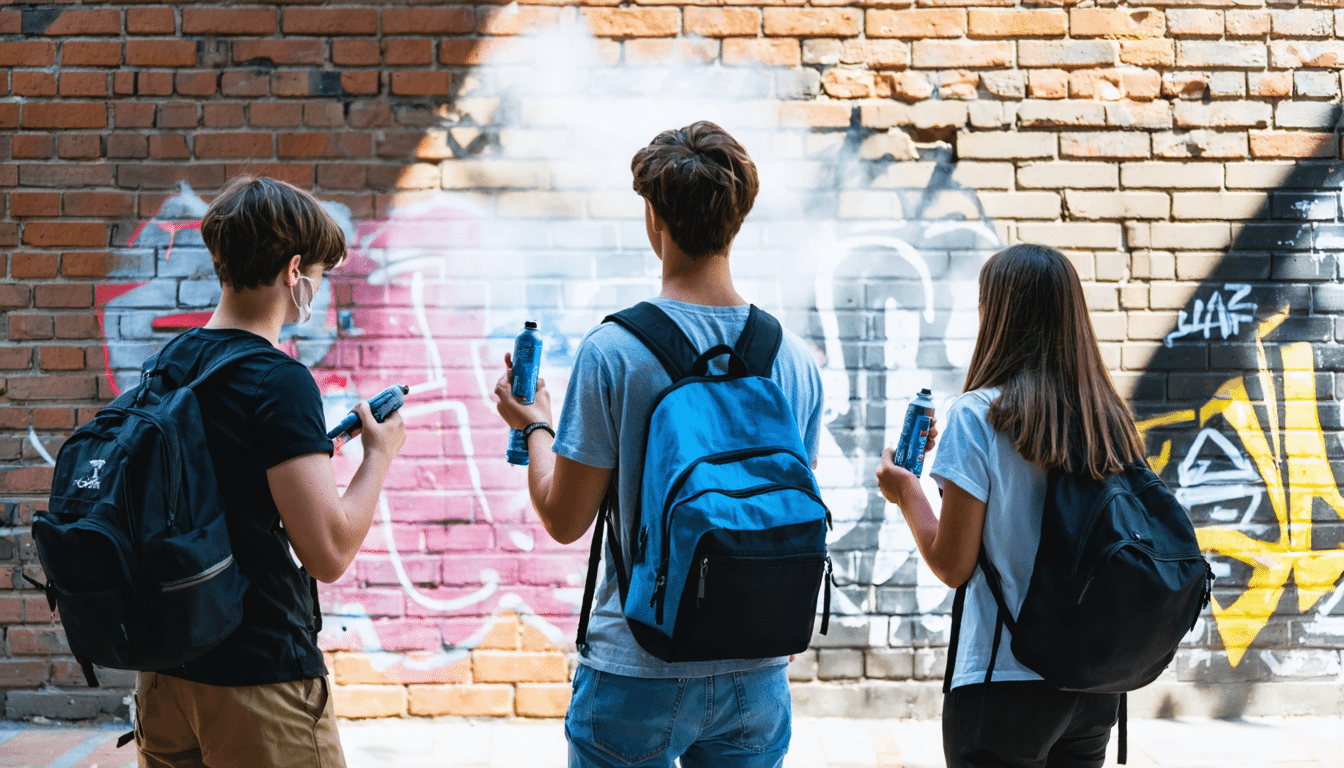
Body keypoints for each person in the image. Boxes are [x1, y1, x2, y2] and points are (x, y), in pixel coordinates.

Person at [493, 122, 823, 768]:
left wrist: (534, 426)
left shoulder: (614, 353)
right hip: (756, 672)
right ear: (739, 218)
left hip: (635, 664)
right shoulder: (793, 362)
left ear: (654, 218)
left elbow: (564, 519)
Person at [133, 177, 407, 768]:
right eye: (320, 275)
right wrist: (378, 455)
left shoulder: (167, 366)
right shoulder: (277, 382)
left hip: (165, 675)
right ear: (293, 272)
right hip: (256, 677)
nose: (319, 290)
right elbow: (328, 553)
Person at [876, 244, 1142, 768]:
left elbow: (953, 565)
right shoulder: (1106, 416)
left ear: (996, 316)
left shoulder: (976, 416)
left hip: (1004, 682)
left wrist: (907, 491)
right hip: (1092, 684)